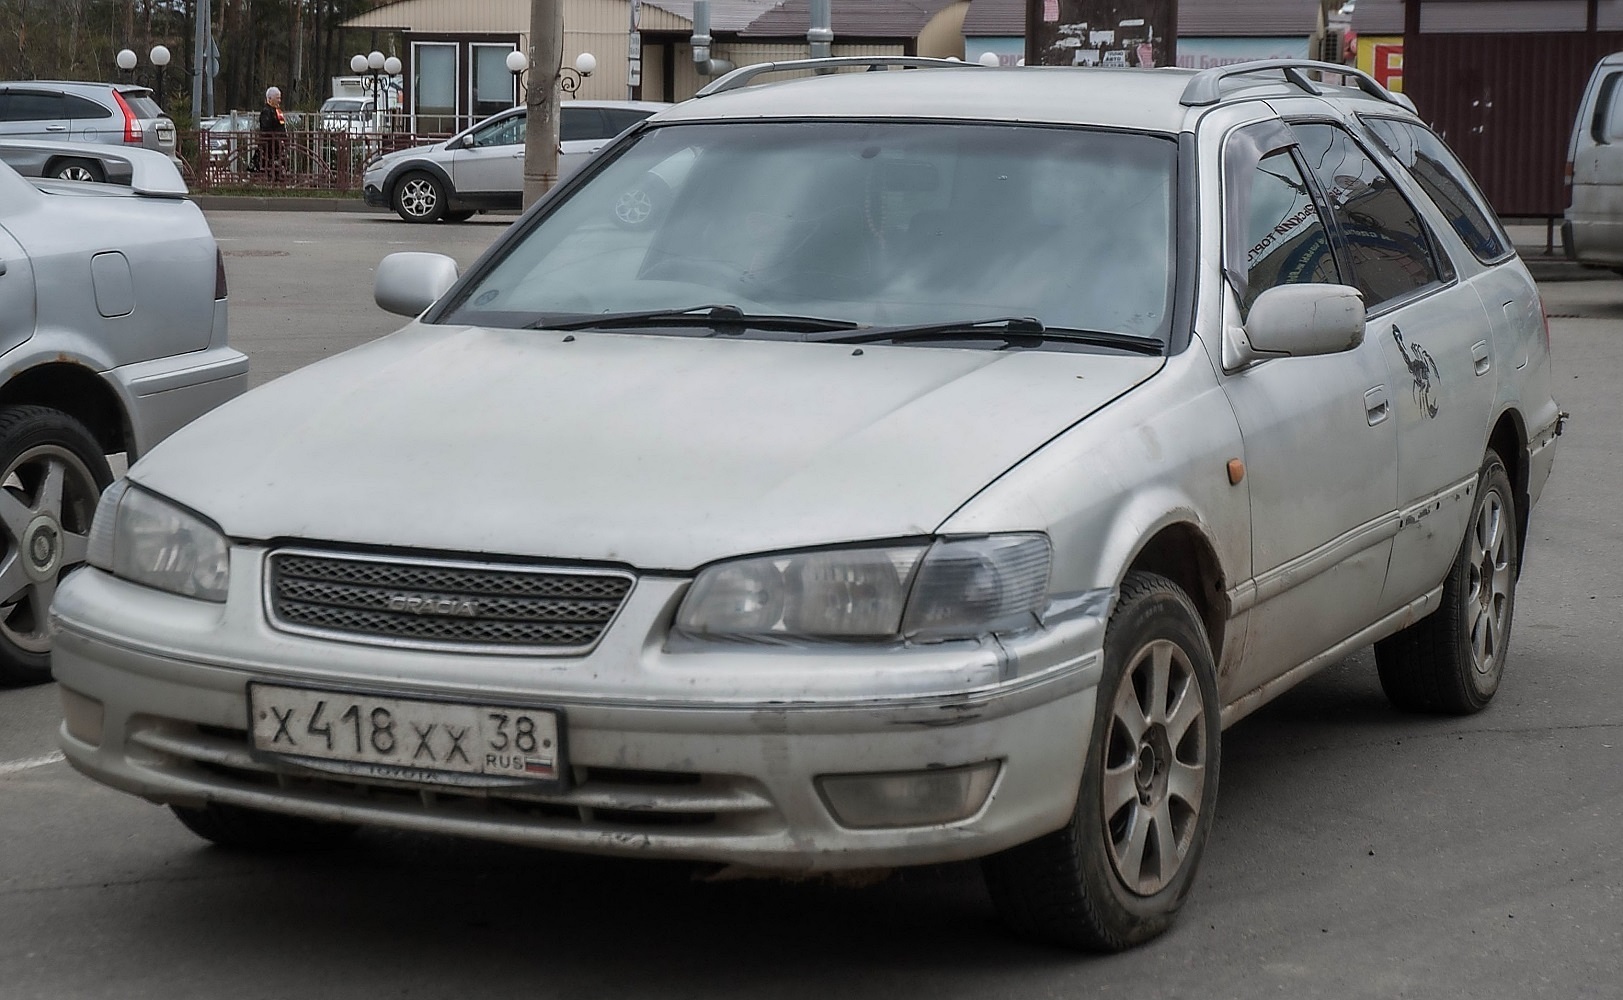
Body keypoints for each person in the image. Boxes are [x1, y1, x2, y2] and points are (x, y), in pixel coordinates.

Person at [257, 86, 287, 180]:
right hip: (269, 146)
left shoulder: (278, 111)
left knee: (279, 166)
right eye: (277, 98)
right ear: (270, 99)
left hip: (277, 145)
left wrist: (284, 139)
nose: (279, 100)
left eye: (280, 98)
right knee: (268, 167)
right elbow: (266, 129)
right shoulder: (266, 111)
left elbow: (282, 127)